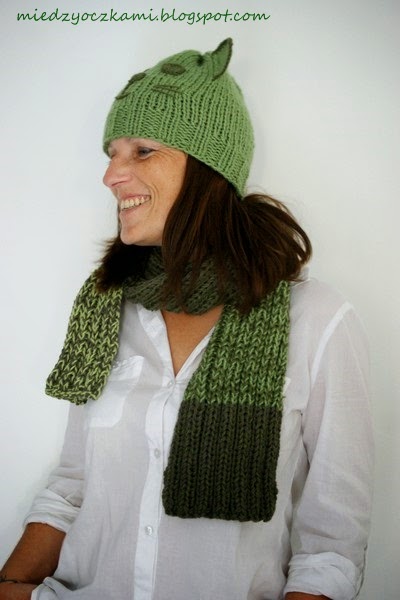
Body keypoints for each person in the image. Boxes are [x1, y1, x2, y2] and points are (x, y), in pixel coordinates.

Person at [0, 38, 373, 600]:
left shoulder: (316, 321)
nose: (111, 175)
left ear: (207, 170)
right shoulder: (106, 308)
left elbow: (331, 547)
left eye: (142, 151)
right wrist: (12, 583)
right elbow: (73, 486)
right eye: (112, 153)